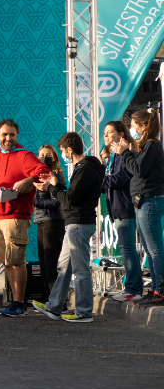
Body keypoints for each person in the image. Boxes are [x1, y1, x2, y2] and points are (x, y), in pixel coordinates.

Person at [0, 119, 50, 317]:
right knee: (8, 262)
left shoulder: (24, 155)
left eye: (12, 135)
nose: (8, 138)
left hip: (16, 216)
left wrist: (27, 180)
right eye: (5, 134)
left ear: (16, 136)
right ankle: (13, 302)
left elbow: (44, 171)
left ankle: (19, 304)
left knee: (17, 261)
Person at [32, 132, 105, 322]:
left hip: (79, 223)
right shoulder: (84, 168)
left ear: (70, 150)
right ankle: (54, 306)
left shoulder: (85, 169)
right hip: (74, 223)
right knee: (63, 267)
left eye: (63, 151)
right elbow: (72, 195)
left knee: (80, 270)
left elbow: (69, 201)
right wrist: (57, 186)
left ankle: (84, 312)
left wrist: (50, 188)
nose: (63, 154)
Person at [112, 109, 164, 305]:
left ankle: (160, 289)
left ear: (143, 126)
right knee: (150, 250)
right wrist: (126, 154)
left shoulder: (152, 145)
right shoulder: (146, 146)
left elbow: (139, 170)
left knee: (154, 249)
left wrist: (126, 153)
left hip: (150, 200)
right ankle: (156, 289)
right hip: (143, 201)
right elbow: (133, 171)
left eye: (133, 125)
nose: (131, 129)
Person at [100, 121, 141, 302]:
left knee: (128, 248)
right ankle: (131, 287)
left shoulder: (125, 154)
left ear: (121, 135)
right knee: (126, 248)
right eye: (105, 133)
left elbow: (118, 179)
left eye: (110, 132)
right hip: (117, 208)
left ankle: (133, 288)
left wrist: (96, 182)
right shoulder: (114, 156)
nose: (106, 136)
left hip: (125, 207)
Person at [33, 145, 67, 292]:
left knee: (52, 264)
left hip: (53, 222)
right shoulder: (36, 174)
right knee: (44, 264)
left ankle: (58, 301)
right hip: (40, 222)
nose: (44, 158)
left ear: (54, 157)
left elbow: (56, 202)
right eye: (41, 155)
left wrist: (33, 202)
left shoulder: (55, 175)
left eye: (47, 155)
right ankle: (50, 299)